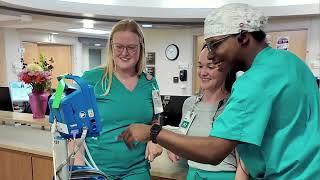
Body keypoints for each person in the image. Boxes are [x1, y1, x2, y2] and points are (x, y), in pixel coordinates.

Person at [118, 3, 320, 179]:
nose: (212, 55)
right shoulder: (292, 62)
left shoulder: (254, 81)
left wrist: (153, 133)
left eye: (215, 45)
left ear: (243, 37)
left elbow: (214, 151)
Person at [79, 19, 162, 180]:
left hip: (137, 171)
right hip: (96, 171)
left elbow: (157, 118)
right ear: (111, 47)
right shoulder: (91, 79)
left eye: (131, 47)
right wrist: (79, 167)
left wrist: (155, 139)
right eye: (119, 47)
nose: (125, 53)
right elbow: (76, 129)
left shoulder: (150, 82)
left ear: (141, 48)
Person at [166, 45, 247, 180]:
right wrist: (173, 147)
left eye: (210, 67)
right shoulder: (189, 104)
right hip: (193, 174)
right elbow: (183, 138)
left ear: (227, 69)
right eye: (200, 66)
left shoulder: (234, 107)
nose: (203, 73)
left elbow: (243, 163)